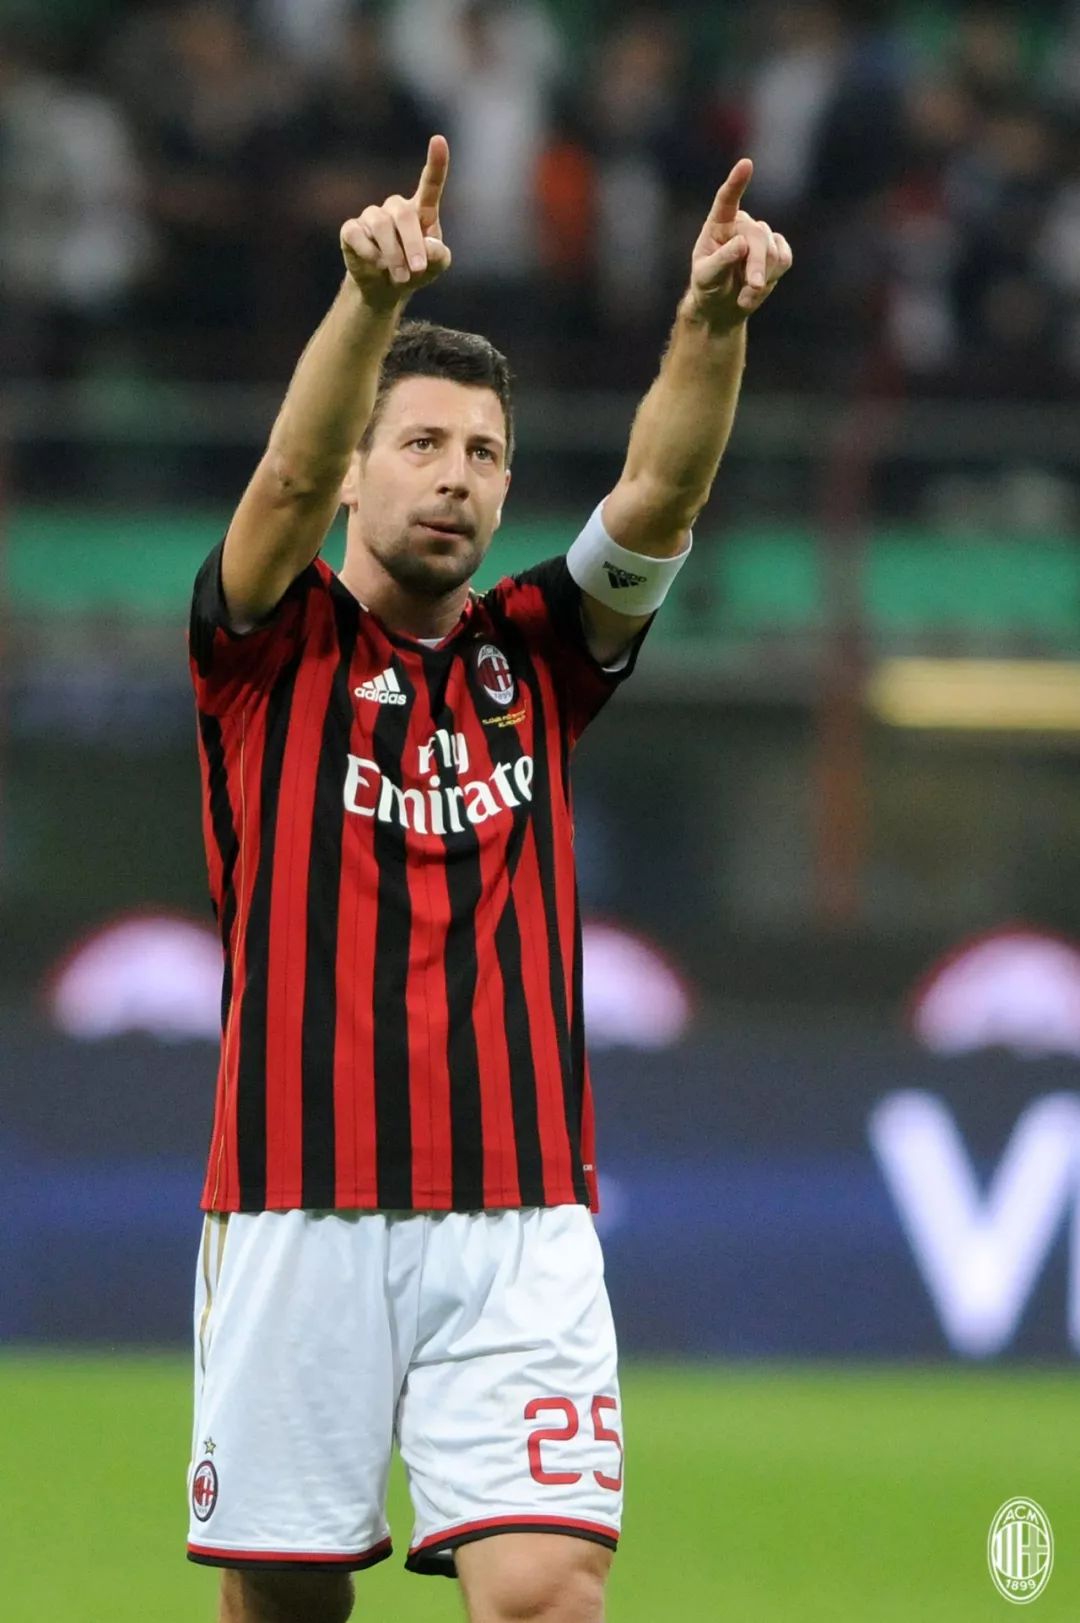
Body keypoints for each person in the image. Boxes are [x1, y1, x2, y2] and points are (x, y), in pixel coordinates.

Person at [185, 132, 791, 1623]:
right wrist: (367, 302)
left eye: (483, 454)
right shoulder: (267, 650)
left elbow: (657, 493)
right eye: (420, 444)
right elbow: (282, 474)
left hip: (520, 1218)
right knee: (285, 1604)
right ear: (357, 477)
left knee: (546, 1591)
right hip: (295, 1205)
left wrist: (710, 322)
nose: (454, 477)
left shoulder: (538, 657)